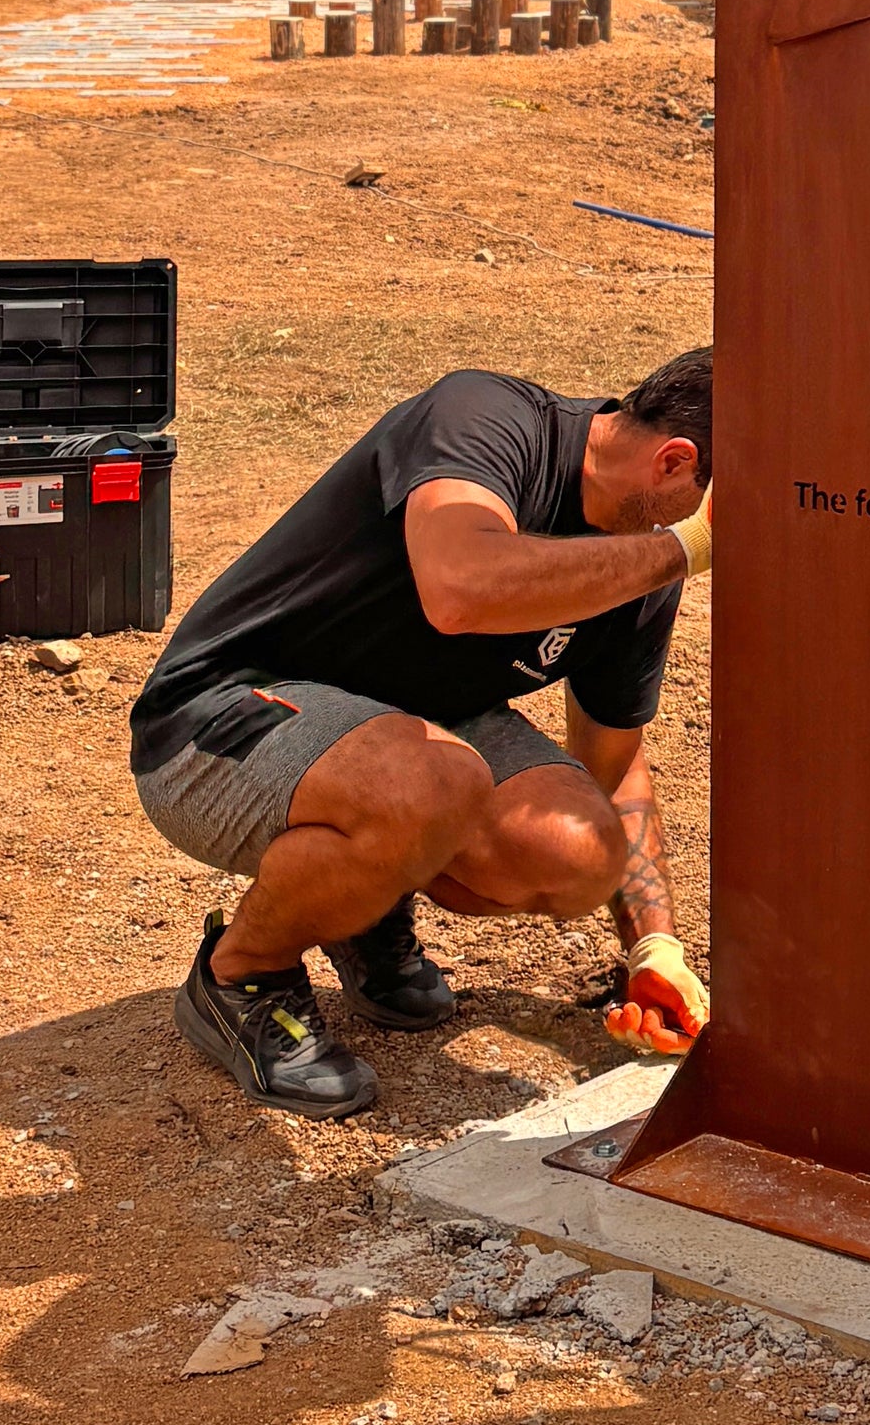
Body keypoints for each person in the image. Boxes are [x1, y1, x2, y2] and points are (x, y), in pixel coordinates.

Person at [129, 351, 716, 1117]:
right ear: (675, 461)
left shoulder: (642, 565)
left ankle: (359, 904)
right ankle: (241, 974)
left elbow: (615, 759)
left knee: (578, 852)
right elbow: (460, 586)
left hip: (407, 735)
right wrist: (687, 547)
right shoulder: (486, 417)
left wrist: (654, 947)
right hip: (221, 716)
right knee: (431, 781)